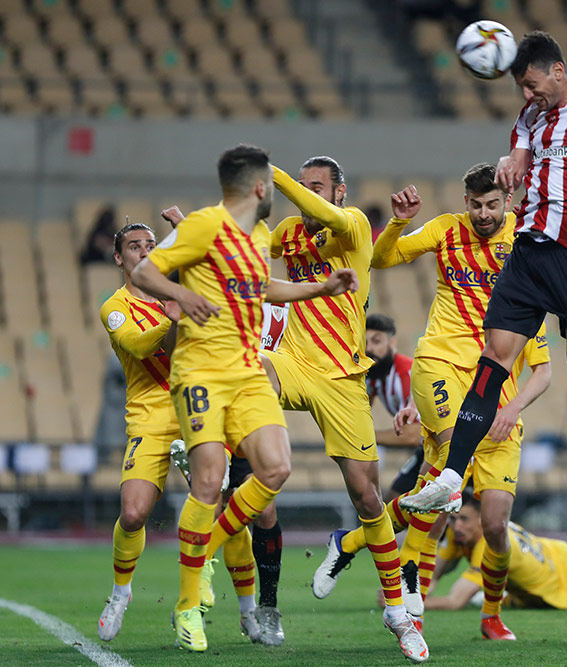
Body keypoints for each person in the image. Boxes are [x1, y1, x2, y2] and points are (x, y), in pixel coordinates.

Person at [400, 31, 567, 570]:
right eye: (521, 88)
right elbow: (517, 154)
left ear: (557, 70)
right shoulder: (531, 115)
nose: (528, 95)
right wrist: (510, 165)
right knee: (495, 357)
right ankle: (451, 478)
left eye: (532, 84)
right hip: (527, 252)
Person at [130, 144, 360, 654]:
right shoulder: (205, 226)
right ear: (259, 187)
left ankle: (201, 549)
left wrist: (322, 288)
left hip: (248, 374)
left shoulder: (258, 235)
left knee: (276, 469)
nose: (277, 194)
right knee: (210, 481)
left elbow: (263, 289)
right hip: (200, 374)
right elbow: (145, 273)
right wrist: (184, 296)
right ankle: (189, 603)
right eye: (273, 185)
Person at [312, 163, 552, 641]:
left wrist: (511, 409)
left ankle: (488, 614)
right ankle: (412, 615)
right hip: (440, 362)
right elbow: (381, 260)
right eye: (476, 204)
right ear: (466, 202)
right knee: (445, 490)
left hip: (498, 406)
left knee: (496, 524)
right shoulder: (446, 230)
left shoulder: (525, 282)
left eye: (493, 205)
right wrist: (399, 221)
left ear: (507, 204)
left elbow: (544, 372)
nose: (484, 214)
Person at [257, 155, 428, 662]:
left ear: (339, 193)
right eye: (302, 186)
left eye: (317, 188)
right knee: (251, 369)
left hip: (343, 380)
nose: (306, 198)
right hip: (292, 359)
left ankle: (398, 611)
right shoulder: (289, 230)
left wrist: (276, 175)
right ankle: (224, 455)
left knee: (368, 498)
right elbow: (243, 249)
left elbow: (319, 212)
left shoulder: (351, 226)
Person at [160, 205, 288, 647]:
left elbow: (279, 362)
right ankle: (205, 593)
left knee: (260, 507)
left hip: (251, 405)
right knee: (213, 491)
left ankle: (262, 608)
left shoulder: (278, 305)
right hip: (213, 396)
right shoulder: (221, 289)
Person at [96, 222, 181, 641]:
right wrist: (173, 320)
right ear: (119, 258)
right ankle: (120, 593)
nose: (144, 251)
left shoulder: (178, 291)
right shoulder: (115, 306)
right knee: (133, 514)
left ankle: (247, 606)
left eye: (151, 244)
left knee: (228, 506)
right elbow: (139, 345)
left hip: (198, 408)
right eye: (134, 246)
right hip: (150, 414)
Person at [425, 494, 567, 612]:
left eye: (464, 519)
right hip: (553, 550)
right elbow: (432, 576)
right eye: (453, 519)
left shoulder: (487, 545)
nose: (456, 526)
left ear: (482, 521)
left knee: (515, 600)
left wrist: (404, 606)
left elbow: (454, 602)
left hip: (561, 588)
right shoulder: (463, 533)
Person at [364, 312, 424, 501]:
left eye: (376, 341)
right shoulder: (374, 376)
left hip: (447, 447)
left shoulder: (407, 373)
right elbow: (359, 413)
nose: (369, 349)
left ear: (392, 343)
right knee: (395, 500)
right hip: (428, 449)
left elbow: (414, 435)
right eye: (364, 342)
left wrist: (365, 437)